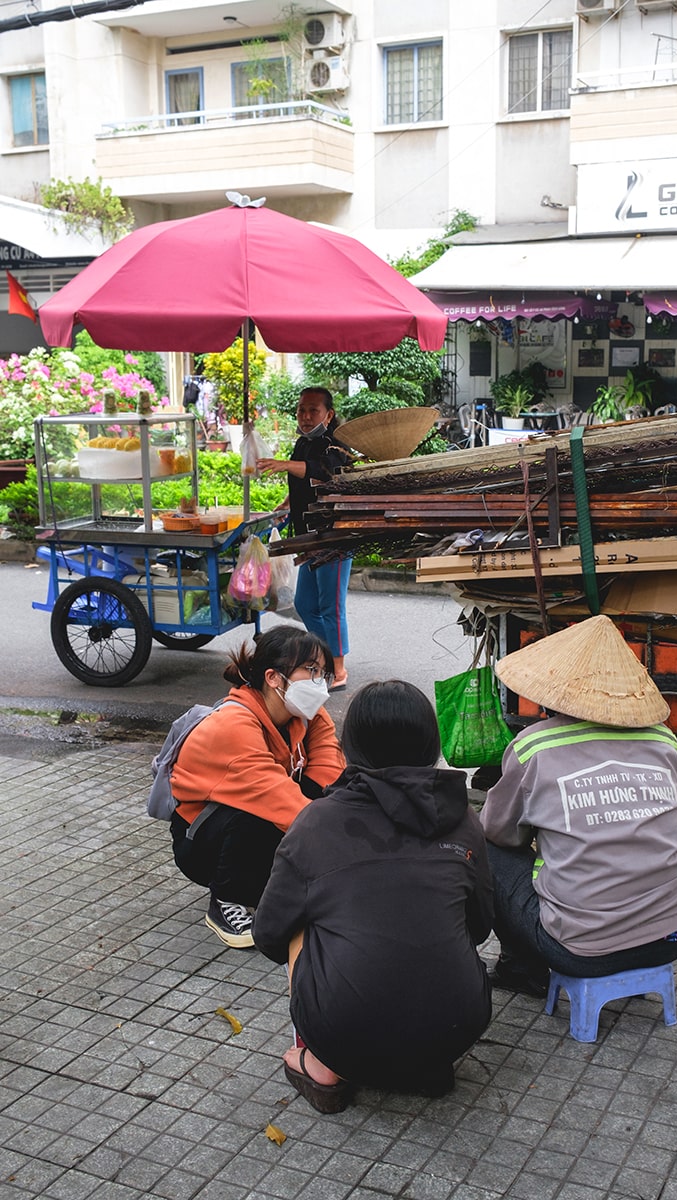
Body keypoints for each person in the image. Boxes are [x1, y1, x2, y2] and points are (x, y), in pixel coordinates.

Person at [253, 680, 493, 1113]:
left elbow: (269, 933)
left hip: (344, 1029)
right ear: (431, 743)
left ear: (350, 747)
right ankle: (423, 1062)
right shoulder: (464, 820)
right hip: (458, 1025)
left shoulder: (316, 823)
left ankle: (324, 1065)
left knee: (301, 919)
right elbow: (479, 926)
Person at [479, 615, 677, 999]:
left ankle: (522, 969)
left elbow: (499, 832)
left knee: (484, 848)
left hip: (580, 951)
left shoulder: (535, 747)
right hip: (673, 935)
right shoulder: (663, 740)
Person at [169, 625, 346, 949]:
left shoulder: (309, 716)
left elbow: (330, 774)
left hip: (265, 812)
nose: (320, 683)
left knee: (320, 801)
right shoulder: (233, 725)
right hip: (202, 839)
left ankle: (272, 887)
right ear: (273, 677)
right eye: (311, 671)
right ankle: (226, 900)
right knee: (259, 815)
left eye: (323, 673)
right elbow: (276, 796)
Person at [257, 387, 353, 690]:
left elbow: (322, 474)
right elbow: (303, 483)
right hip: (309, 537)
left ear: (329, 414)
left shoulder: (336, 446)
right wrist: (287, 503)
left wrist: (284, 465)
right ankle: (322, 656)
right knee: (305, 603)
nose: (306, 416)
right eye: (301, 410)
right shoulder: (303, 442)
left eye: (313, 410)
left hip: (334, 536)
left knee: (331, 606)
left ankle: (338, 670)